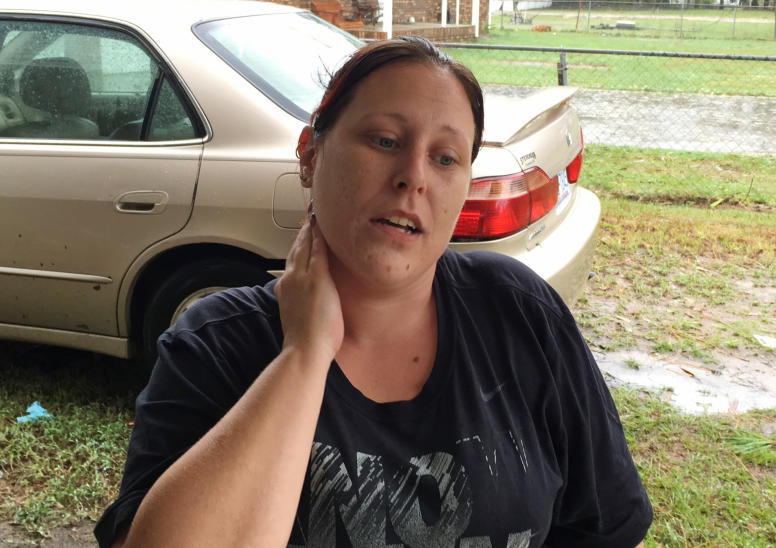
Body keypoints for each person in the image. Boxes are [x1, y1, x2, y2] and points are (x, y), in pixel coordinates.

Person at [95, 36, 653, 548]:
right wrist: (305, 355)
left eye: (445, 158)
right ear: (310, 154)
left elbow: (605, 524)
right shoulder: (217, 343)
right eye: (384, 140)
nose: (414, 177)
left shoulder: (518, 312)